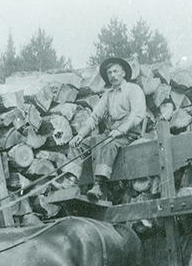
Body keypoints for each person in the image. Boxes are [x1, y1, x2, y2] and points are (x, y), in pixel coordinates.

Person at [62, 57, 146, 201]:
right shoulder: (108, 96)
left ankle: (98, 186)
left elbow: (137, 115)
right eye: (109, 73)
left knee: (107, 144)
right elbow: (94, 117)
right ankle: (70, 182)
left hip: (128, 135)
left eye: (115, 71)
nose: (112, 75)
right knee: (79, 145)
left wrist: (120, 130)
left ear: (123, 73)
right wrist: (80, 134)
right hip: (110, 134)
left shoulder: (133, 90)